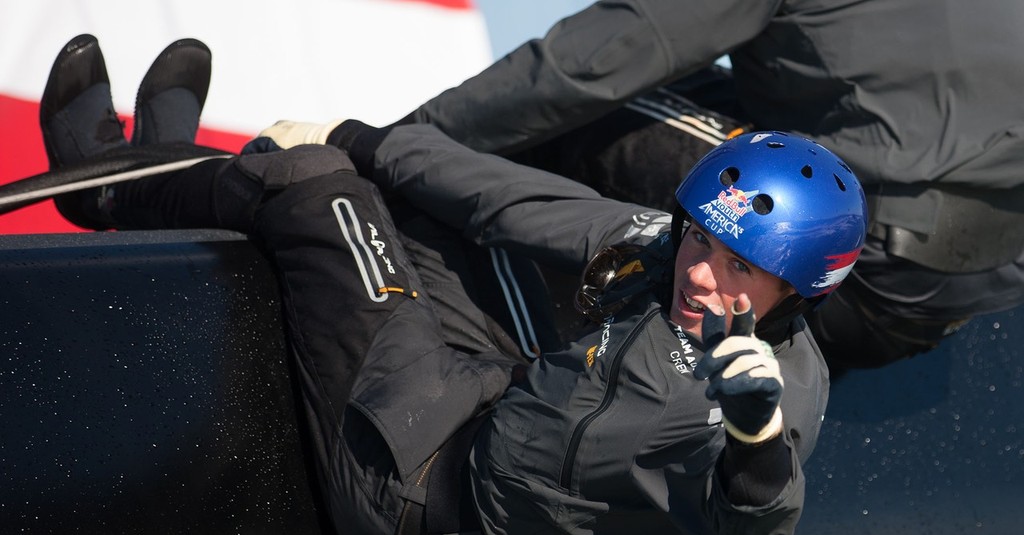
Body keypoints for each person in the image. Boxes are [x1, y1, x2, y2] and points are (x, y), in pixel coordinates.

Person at [38, 35, 866, 535]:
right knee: (393, 190)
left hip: (421, 504)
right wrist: (371, 139)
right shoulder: (675, 252)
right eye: (700, 238)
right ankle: (170, 168)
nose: (699, 273)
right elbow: (519, 202)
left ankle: (105, 190)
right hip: (497, 406)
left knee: (316, 187)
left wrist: (755, 444)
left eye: (738, 269)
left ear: (796, 292)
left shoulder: (753, 404)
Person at [272, 0, 1024, 371]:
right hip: (982, 281)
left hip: (861, 277)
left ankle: (506, 354)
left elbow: (579, 70)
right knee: (707, 90)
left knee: (589, 113)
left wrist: (376, 145)